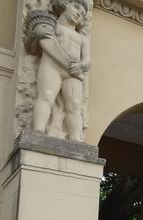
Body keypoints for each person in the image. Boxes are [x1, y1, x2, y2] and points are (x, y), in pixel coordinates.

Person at [28, 0, 91, 141]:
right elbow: (33, 47)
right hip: (51, 66)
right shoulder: (52, 26)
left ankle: (75, 139)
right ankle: (38, 130)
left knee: (74, 106)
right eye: (75, 7)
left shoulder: (82, 38)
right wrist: (34, 36)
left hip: (73, 73)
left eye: (82, 14)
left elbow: (87, 61)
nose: (78, 14)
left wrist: (81, 66)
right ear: (64, 5)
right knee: (46, 96)